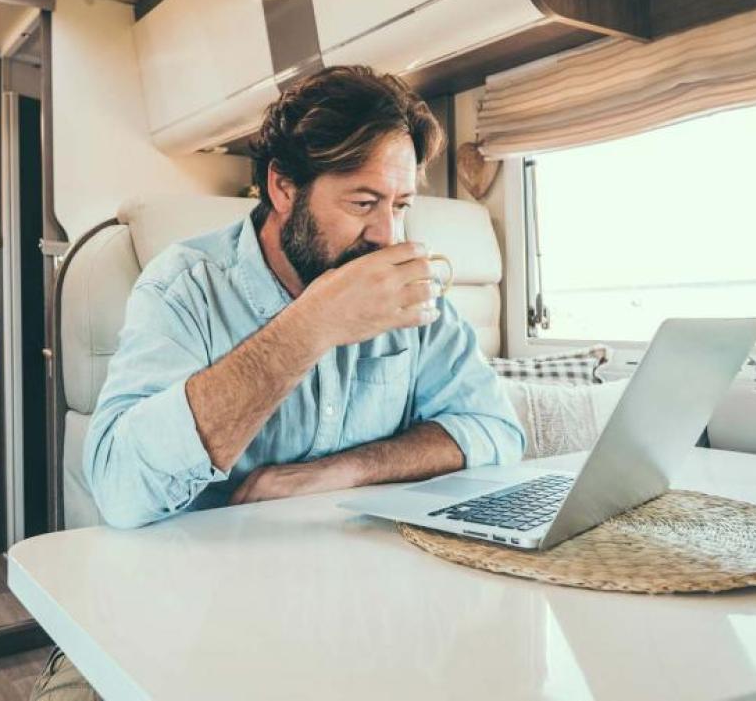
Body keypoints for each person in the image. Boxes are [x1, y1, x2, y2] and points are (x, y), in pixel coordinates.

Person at [31, 65, 525, 699]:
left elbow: (494, 430)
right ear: (283, 185)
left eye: (400, 206)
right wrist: (311, 327)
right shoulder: (183, 287)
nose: (389, 236)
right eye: (364, 202)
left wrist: (338, 474)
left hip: (362, 605)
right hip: (188, 607)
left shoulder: (410, 287)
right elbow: (121, 488)